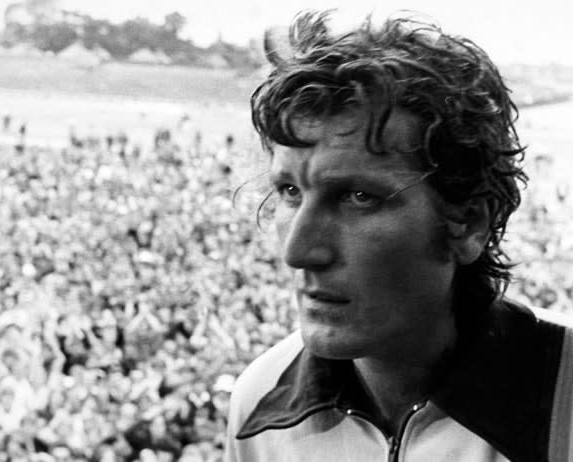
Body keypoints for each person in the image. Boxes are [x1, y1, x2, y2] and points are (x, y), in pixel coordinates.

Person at [225, 10, 573, 462]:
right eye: (290, 191)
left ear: (467, 223)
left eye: (358, 196)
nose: (298, 251)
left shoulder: (562, 396)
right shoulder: (260, 404)